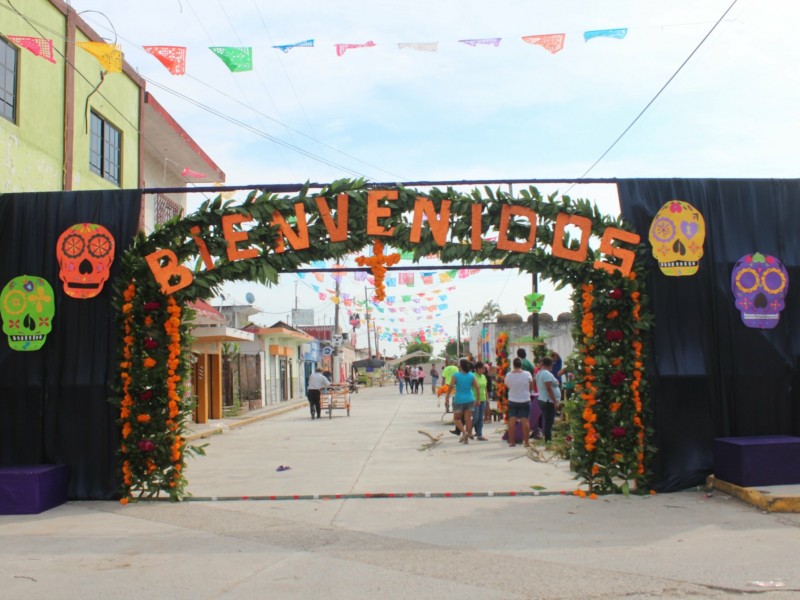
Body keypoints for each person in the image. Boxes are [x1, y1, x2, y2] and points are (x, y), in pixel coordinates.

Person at [444, 358, 479, 444]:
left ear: (460, 366)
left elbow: (451, 386)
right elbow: (477, 387)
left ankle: (464, 432)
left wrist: (447, 397)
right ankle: (467, 437)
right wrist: (477, 399)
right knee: (468, 419)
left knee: (456, 418)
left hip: (459, 399)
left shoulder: (456, 375)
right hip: (470, 399)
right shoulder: (471, 375)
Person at [504, 357, 533, 447]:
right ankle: (526, 442)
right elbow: (531, 386)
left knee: (512, 420)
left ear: (513, 365)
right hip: (525, 399)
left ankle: (512, 442)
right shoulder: (527, 374)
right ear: (521, 365)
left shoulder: (508, 375)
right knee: (525, 421)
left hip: (513, 400)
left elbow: (507, 386)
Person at [535, 356, 561, 443]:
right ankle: (548, 440)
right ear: (550, 364)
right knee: (548, 422)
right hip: (548, 400)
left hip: (543, 399)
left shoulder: (540, 373)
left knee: (547, 420)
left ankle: (547, 437)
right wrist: (555, 401)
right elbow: (549, 388)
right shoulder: (546, 373)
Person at [472, 361, 490, 441]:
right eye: (483, 368)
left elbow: (485, 388)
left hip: (483, 399)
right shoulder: (473, 376)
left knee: (480, 418)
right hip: (475, 399)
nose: (484, 369)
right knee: (475, 417)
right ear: (478, 369)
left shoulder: (483, 377)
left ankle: (479, 434)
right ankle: (468, 430)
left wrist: (487, 398)